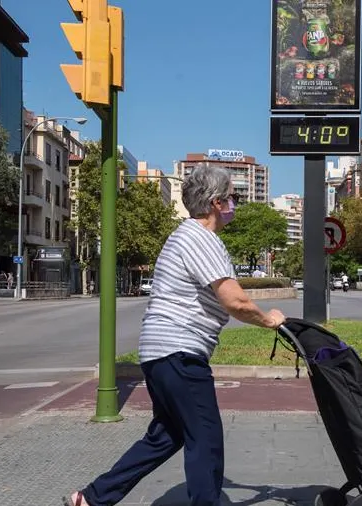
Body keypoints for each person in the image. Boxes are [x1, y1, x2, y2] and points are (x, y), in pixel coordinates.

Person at [64, 166, 287, 506]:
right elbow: (234, 300)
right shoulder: (201, 238)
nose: (234, 204)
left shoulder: (184, 236)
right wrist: (270, 320)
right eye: (232, 198)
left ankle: (93, 498)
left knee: (167, 436)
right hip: (179, 352)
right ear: (215, 203)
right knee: (206, 439)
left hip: (160, 354)